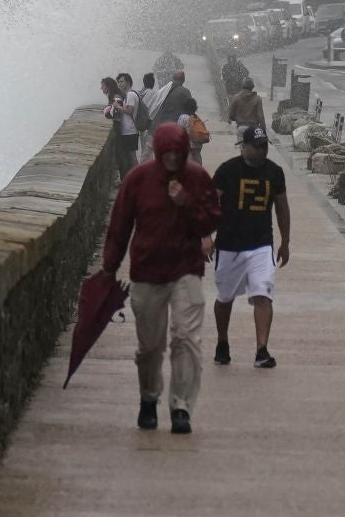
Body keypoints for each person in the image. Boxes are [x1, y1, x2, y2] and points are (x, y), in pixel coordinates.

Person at [102, 123, 221, 435]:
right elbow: (120, 225)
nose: (172, 159)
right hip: (148, 270)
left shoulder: (195, 178)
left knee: (185, 338)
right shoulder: (138, 179)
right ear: (157, 152)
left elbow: (212, 219)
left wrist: (186, 203)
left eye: (177, 154)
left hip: (186, 268)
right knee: (150, 347)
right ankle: (149, 398)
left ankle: (181, 407)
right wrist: (109, 268)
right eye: (166, 154)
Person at [211, 126, 290, 369]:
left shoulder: (274, 173)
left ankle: (262, 350)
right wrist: (205, 235)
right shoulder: (227, 170)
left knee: (263, 294)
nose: (261, 150)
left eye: (264, 145)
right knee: (225, 298)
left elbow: (282, 208)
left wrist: (285, 242)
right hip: (229, 244)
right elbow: (210, 204)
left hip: (261, 244)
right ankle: (222, 342)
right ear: (243, 146)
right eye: (256, 146)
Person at [114, 73, 140, 179]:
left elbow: (130, 110)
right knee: (130, 154)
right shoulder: (128, 95)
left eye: (121, 81)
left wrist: (118, 106)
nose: (119, 84)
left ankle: (137, 177)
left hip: (130, 130)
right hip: (129, 130)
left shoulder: (130, 95)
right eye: (118, 82)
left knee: (131, 155)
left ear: (128, 82)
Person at [228, 77, 267, 141]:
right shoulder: (258, 99)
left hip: (241, 128)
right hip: (254, 128)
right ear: (252, 87)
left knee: (243, 149)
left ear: (242, 86)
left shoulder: (236, 98)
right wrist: (263, 130)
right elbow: (261, 116)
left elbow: (231, 116)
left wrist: (239, 118)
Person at [177, 97, 205, 165]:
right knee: (198, 166)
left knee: (188, 167)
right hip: (197, 146)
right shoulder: (196, 117)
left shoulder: (183, 117)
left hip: (187, 147)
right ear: (195, 108)